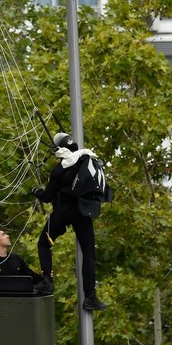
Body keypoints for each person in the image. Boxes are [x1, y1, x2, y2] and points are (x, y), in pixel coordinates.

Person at [32, 133, 107, 311]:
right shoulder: (87, 159)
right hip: (83, 212)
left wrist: (36, 191)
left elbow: (48, 197)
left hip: (63, 213)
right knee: (88, 253)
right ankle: (90, 296)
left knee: (44, 243)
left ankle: (47, 281)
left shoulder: (59, 169)